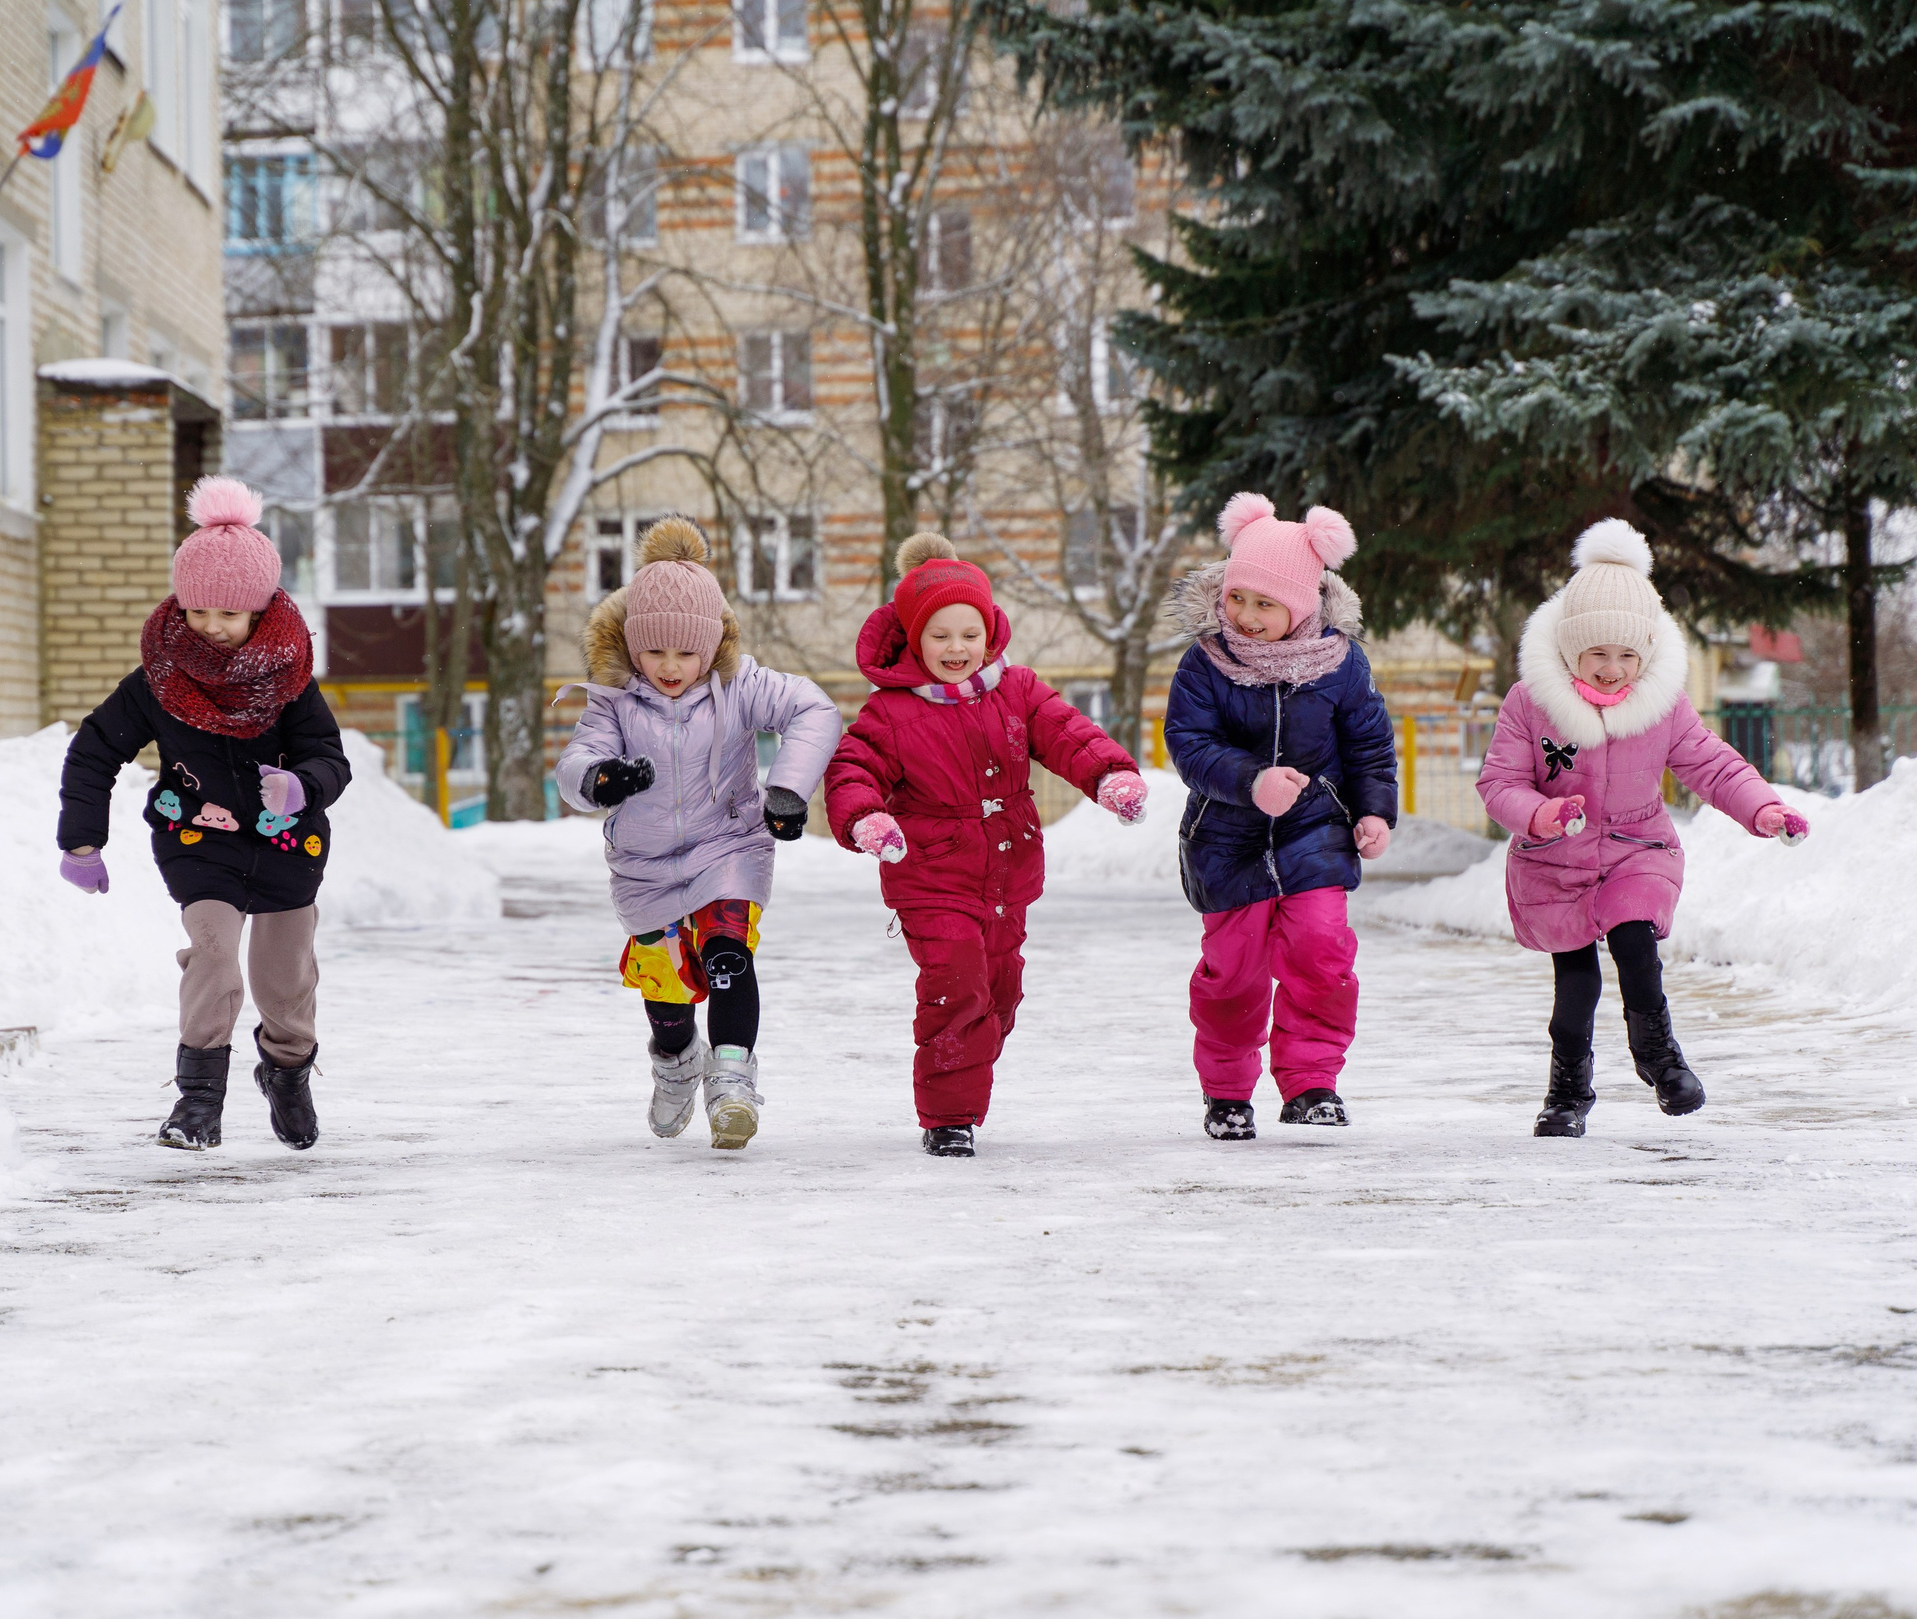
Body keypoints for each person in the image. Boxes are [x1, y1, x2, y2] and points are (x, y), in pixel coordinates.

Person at [1476, 518, 1807, 1137]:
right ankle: (1567, 1091)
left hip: (1637, 847)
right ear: (1571, 648)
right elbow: (1499, 783)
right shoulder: (1531, 702)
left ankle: (1659, 1056)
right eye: (1598, 654)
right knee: (1576, 986)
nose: (1612, 669)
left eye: (1627, 655)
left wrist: (1761, 807)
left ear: (1646, 654)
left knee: (1635, 940)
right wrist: (1540, 815)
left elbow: (1711, 764)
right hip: (1555, 859)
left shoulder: (1662, 704)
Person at [823, 532, 1149, 1158]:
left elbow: (1068, 734)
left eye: (969, 634)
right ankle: (949, 1119)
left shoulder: (1018, 690)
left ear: (989, 631)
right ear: (914, 638)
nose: (957, 649)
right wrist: (866, 819)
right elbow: (852, 770)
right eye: (940, 635)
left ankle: (966, 1061)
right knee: (957, 985)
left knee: (999, 993)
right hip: (931, 875)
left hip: (1007, 870)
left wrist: (1109, 776)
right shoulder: (891, 713)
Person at [58, 477, 350, 1152]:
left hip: (286, 845)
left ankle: (286, 1071)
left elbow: (330, 758)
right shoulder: (160, 680)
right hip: (199, 839)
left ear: (260, 609)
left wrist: (301, 787)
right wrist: (81, 841)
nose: (211, 625)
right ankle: (197, 1102)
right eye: (197, 610)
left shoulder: (291, 680)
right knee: (214, 958)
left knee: (285, 980)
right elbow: (95, 749)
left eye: (229, 612)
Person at [554, 517, 842, 1150]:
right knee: (668, 996)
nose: (670, 667)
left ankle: (732, 1081)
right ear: (633, 645)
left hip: (726, 848)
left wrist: (787, 790)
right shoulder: (614, 700)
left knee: (728, 954)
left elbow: (815, 709)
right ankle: (677, 1062)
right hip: (645, 865)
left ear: (712, 646)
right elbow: (575, 766)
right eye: (654, 652)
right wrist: (601, 779)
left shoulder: (741, 687)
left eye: (687, 653)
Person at [1164, 493, 1399, 1142]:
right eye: (1237, 598)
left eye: (1265, 604)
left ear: (1300, 605)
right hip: (1226, 839)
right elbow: (1189, 742)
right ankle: (1227, 1091)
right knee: (1233, 974)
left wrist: (1375, 811)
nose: (1246, 615)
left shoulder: (1341, 663)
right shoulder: (1207, 662)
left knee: (1322, 951)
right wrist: (1250, 781)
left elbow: (1370, 745)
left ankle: (1312, 1083)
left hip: (1315, 830)